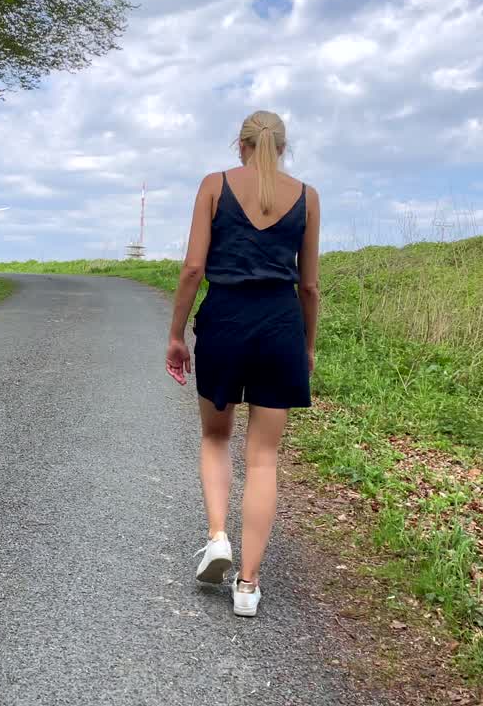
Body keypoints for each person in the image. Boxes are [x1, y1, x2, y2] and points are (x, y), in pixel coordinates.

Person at [164, 110, 321, 617]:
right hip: (280, 325)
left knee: (215, 437)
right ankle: (248, 587)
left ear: (242, 144)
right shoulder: (308, 197)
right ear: (283, 145)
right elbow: (310, 285)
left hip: (225, 320)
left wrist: (175, 334)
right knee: (264, 459)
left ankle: (217, 539)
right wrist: (308, 345)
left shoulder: (214, 185)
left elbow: (192, 267)